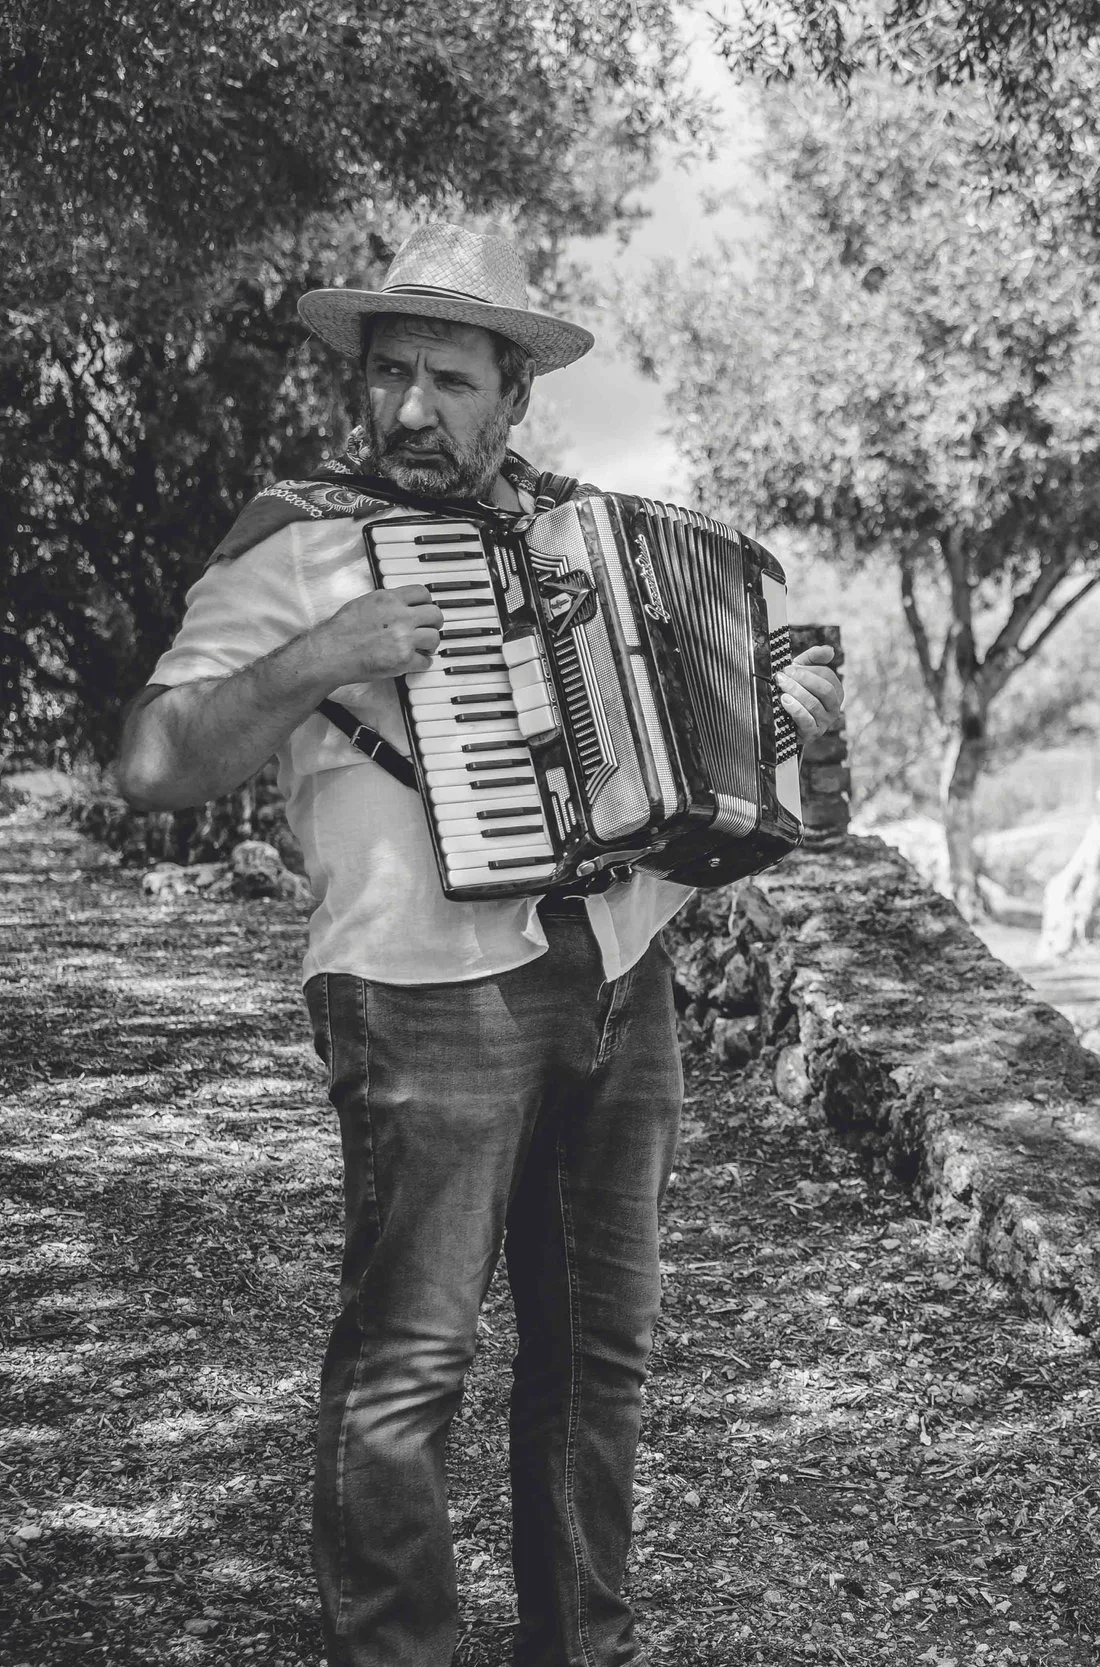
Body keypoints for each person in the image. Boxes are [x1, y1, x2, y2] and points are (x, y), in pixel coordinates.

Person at [113, 223, 844, 1667]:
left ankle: (585, 1644)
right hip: (419, 996)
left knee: (597, 1357)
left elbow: (727, 702)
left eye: (450, 378)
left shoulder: (586, 527)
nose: (410, 410)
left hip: (620, 979)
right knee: (410, 1365)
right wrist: (328, 651)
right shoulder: (298, 540)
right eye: (390, 373)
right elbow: (150, 759)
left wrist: (788, 713)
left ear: (513, 396)